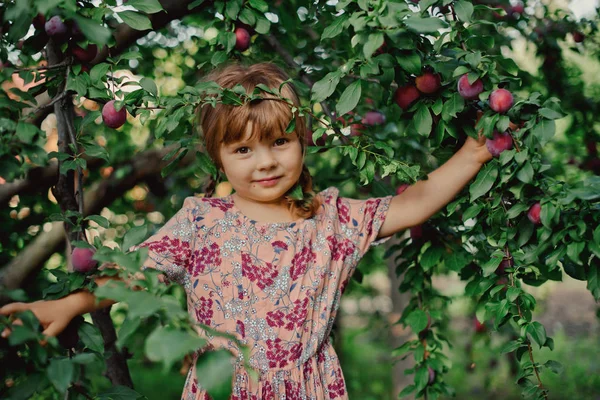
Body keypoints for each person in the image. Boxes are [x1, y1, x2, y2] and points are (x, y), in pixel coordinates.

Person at [0, 62, 493, 399]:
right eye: (243, 150)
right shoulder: (201, 221)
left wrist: (475, 152)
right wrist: (66, 303)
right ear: (218, 156)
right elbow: (133, 277)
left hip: (309, 389)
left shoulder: (333, 220)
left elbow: (414, 203)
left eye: (280, 142)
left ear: (302, 140)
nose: (266, 163)